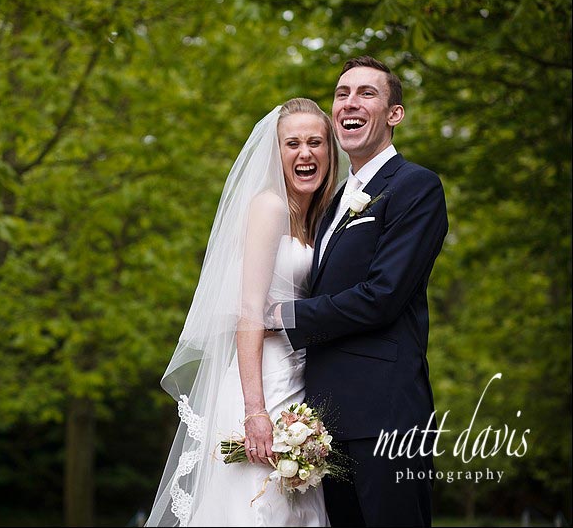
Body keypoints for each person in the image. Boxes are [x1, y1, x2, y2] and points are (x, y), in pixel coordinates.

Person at [270, 55, 449, 526]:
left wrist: (285, 315)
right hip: (324, 422)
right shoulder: (329, 204)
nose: (350, 102)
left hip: (387, 415)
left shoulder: (416, 187)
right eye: (342, 94)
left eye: (367, 93)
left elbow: (383, 296)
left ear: (394, 114)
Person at [145, 98, 339, 527]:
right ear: (276, 152)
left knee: (295, 507)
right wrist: (255, 411)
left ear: (330, 150)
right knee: (257, 505)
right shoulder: (269, 207)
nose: (305, 153)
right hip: (263, 380)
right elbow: (249, 313)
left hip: (299, 379)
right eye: (292, 144)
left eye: (315, 142)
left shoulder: (318, 218)